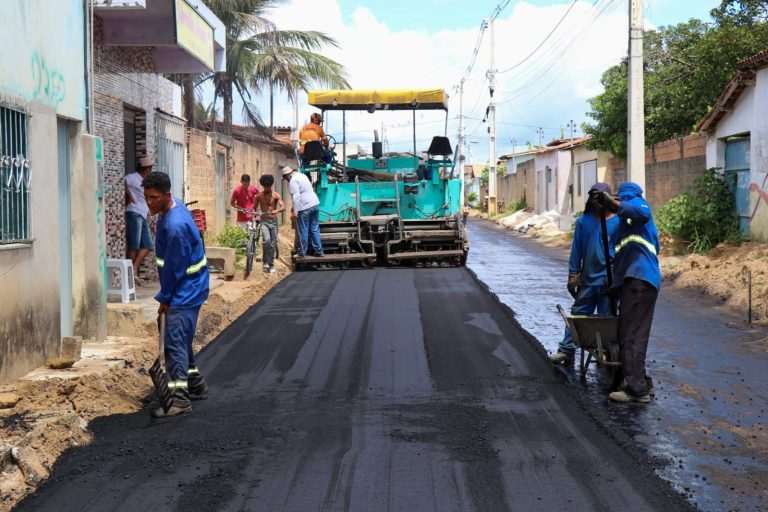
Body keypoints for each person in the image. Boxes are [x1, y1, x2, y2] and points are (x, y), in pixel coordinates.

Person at [143, 171, 210, 418]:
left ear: (167, 195)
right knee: (180, 337)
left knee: (174, 344)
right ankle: (195, 384)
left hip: (186, 289)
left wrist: (166, 299)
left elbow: (176, 269)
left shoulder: (175, 226)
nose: (149, 202)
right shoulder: (171, 209)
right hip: (191, 285)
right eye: (147, 197)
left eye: (154, 197)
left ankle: (180, 399)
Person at [593, 182, 661, 404]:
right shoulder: (625, 226)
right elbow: (621, 259)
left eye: (619, 200)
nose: (618, 204)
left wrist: (614, 203)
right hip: (636, 282)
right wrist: (615, 286)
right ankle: (642, 382)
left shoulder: (637, 205)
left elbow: (640, 212)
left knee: (630, 335)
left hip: (640, 280)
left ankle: (636, 390)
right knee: (636, 333)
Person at [550, 183, 619, 364]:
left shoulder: (618, 222)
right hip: (588, 279)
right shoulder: (584, 221)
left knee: (608, 319)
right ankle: (566, 349)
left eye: (600, 197)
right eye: (593, 197)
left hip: (609, 282)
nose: (596, 201)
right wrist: (573, 274)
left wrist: (620, 279)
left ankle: (608, 351)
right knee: (579, 315)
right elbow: (577, 250)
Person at [125, 157, 155, 285]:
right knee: (134, 245)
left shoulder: (145, 181)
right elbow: (122, 182)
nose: (151, 170)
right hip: (133, 213)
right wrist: (129, 195)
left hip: (142, 215)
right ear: (146, 169)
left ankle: (134, 268)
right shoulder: (133, 177)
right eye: (150, 168)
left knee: (148, 245)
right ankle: (131, 275)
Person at [281, 166, 323, 258]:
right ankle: (319, 251)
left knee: (303, 230)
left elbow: (296, 197)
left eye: (285, 178)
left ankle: (302, 253)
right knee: (314, 229)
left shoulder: (292, 181)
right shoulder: (302, 175)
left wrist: (295, 212)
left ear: (286, 175)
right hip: (315, 204)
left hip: (305, 207)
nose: (286, 180)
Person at [254, 174, 286, 273]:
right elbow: (254, 208)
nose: (266, 188)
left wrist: (277, 211)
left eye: (268, 186)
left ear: (271, 185)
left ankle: (271, 264)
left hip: (273, 222)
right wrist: (256, 215)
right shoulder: (258, 196)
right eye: (265, 186)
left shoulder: (276, 195)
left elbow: (283, 206)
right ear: (263, 186)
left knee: (273, 244)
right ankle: (265, 262)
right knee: (267, 241)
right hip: (264, 222)